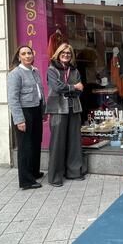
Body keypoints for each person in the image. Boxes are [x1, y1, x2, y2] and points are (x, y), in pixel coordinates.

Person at [7, 45, 46, 190]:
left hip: (36, 110)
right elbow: (13, 99)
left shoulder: (35, 71)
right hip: (24, 113)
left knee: (36, 143)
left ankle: (34, 172)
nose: (27, 55)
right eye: (24, 54)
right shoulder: (15, 74)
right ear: (19, 57)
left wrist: (43, 111)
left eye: (29, 53)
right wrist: (19, 120)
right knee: (25, 147)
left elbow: (39, 92)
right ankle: (26, 181)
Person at [46, 43, 84, 186]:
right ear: (58, 53)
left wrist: (72, 89)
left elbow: (81, 90)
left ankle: (73, 172)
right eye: (63, 52)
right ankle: (55, 177)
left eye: (69, 53)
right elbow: (56, 87)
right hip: (58, 109)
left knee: (74, 142)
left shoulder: (74, 70)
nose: (66, 55)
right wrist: (73, 87)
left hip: (74, 108)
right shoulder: (52, 69)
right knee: (57, 143)